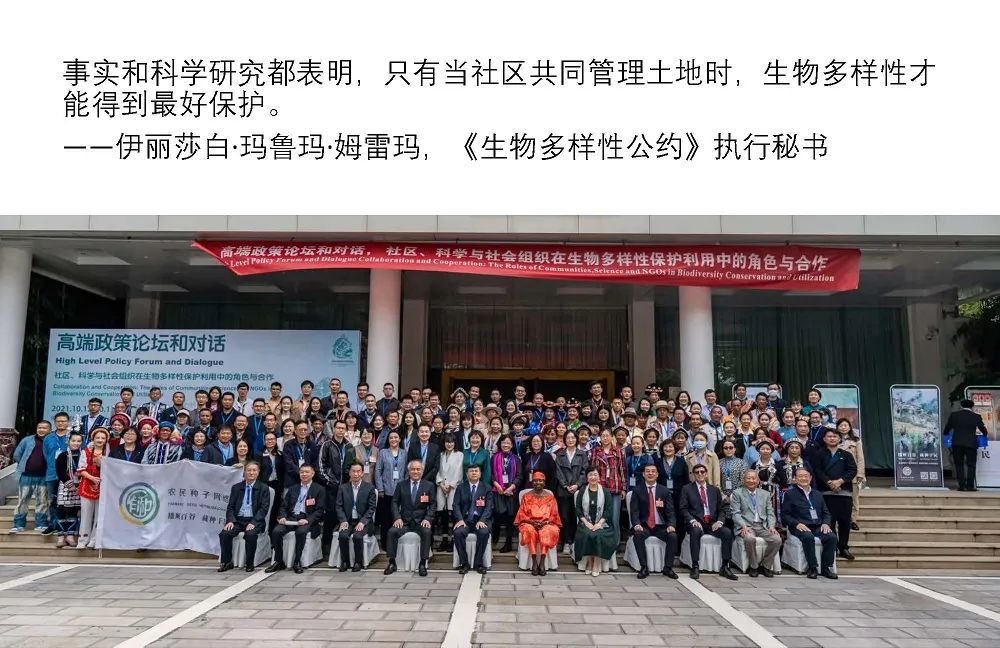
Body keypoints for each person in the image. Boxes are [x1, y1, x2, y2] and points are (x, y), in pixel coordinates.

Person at [679, 463, 738, 580]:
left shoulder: (714, 490)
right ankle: (695, 565)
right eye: (697, 472)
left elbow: (721, 509)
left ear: (706, 474)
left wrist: (720, 522)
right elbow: (683, 508)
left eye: (702, 472)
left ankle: (725, 566)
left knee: (727, 532)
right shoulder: (687, 489)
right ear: (693, 475)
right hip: (696, 522)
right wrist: (692, 521)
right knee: (695, 531)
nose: (700, 474)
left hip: (712, 523)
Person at [266, 464, 326, 574]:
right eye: (302, 472)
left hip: (307, 519)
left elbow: (320, 510)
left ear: (313, 474)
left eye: (307, 472)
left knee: (301, 532)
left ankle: (297, 561)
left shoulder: (319, 489)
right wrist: (282, 517)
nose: (304, 474)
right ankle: (278, 561)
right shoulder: (293, 488)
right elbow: (284, 506)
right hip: (291, 518)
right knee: (276, 531)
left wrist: (308, 520)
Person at [781, 467, 838, 579]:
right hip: (800, 526)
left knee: (831, 537)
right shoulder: (790, 494)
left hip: (818, 526)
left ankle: (826, 568)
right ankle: (813, 568)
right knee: (808, 537)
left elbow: (826, 513)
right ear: (795, 479)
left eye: (806, 476)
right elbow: (785, 515)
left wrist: (826, 523)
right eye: (800, 476)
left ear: (811, 478)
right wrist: (796, 524)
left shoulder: (818, 494)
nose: (803, 478)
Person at [812, 428, 858, 561]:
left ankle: (844, 547)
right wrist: (829, 482)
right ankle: (833, 546)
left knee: (845, 522)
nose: (832, 438)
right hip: (826, 493)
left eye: (835, 436)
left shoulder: (846, 454)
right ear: (824, 439)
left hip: (844, 493)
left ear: (839, 439)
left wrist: (840, 481)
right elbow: (817, 471)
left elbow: (852, 470)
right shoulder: (819, 454)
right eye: (829, 436)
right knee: (829, 522)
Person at [384, 459, 436, 577]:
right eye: (413, 469)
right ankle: (392, 562)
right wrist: (397, 518)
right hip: (404, 522)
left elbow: (433, 505)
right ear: (409, 471)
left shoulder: (429, 485)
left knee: (427, 532)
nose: (415, 472)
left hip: (421, 522)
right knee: (391, 532)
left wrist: (428, 519)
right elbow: (394, 503)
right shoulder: (401, 485)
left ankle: (422, 563)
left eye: (418, 469)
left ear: (422, 471)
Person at [629, 463, 679, 579]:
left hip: (660, 526)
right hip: (644, 525)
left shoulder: (664, 491)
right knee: (638, 535)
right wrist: (636, 524)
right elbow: (634, 511)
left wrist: (671, 525)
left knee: (673, 536)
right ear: (643, 474)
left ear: (657, 474)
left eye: (653, 471)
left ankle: (668, 567)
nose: (650, 473)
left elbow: (670, 511)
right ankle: (644, 567)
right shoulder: (637, 490)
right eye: (647, 471)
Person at [219, 462, 271, 573]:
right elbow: (230, 507)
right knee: (224, 534)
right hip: (238, 520)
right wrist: (230, 520)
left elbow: (264, 509)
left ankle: (249, 563)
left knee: (250, 535)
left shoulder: (263, 488)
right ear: (244, 472)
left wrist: (254, 522)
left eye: (254, 470)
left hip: (254, 520)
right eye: (249, 470)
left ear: (258, 472)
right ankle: (226, 562)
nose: (251, 473)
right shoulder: (236, 487)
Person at [730, 471, 781, 577]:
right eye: (748, 478)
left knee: (777, 539)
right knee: (749, 539)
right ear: (744, 480)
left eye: (754, 478)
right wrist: (743, 525)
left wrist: (771, 526)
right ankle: (754, 566)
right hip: (746, 526)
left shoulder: (765, 494)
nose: (751, 480)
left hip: (762, 526)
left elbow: (770, 513)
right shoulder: (737, 493)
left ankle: (766, 565)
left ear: (758, 481)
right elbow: (735, 513)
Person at [573, 466, 619, 576]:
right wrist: (586, 523)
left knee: (598, 534)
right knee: (587, 533)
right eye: (590, 475)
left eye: (595, 475)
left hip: (603, 523)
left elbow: (608, 510)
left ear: (599, 477)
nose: (593, 477)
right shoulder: (582, 491)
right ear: (587, 477)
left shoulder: (605, 492)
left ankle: (596, 563)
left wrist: (599, 524)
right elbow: (578, 509)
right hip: (585, 522)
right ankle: (590, 562)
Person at [515, 471, 562, 576]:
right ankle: (534, 561)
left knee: (546, 531)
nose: (538, 483)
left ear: (544, 482)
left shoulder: (550, 497)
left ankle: (542, 562)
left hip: (547, 523)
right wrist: (531, 522)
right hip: (529, 522)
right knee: (529, 530)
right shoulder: (526, 496)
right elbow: (522, 514)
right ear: (532, 482)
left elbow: (554, 514)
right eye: (535, 480)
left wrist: (545, 522)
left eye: (540, 481)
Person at [10, 420, 52, 534]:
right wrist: (25, 465)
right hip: (26, 476)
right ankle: (18, 525)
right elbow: (17, 455)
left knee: (42, 501)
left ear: (50, 430)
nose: (41, 430)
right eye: (39, 427)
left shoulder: (51, 441)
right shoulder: (27, 440)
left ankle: (41, 524)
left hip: (44, 477)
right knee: (22, 500)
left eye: (44, 428)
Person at [336, 462, 378, 572]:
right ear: (349, 473)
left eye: (358, 471)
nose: (356, 474)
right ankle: (345, 562)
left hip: (363, 521)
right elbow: (339, 506)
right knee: (343, 536)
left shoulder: (369, 488)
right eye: (353, 471)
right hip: (348, 520)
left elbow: (371, 508)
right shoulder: (343, 488)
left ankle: (358, 562)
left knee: (357, 536)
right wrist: (343, 520)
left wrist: (363, 522)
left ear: (362, 473)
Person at [453, 463, 494, 574]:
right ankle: (464, 563)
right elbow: (455, 505)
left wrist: (482, 520)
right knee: (458, 533)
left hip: (480, 519)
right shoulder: (461, 487)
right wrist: (460, 519)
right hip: (465, 519)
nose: (474, 473)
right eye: (471, 471)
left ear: (480, 474)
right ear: (467, 474)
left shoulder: (487, 488)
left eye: (476, 471)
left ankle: (478, 563)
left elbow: (489, 507)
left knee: (484, 532)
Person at [943, 399, 989, 491]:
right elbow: (983, 430)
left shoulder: (954, 415)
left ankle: (961, 486)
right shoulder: (976, 416)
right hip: (971, 443)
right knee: (971, 465)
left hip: (957, 443)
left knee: (959, 464)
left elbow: (947, 429)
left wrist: (948, 437)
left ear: (961, 406)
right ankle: (970, 486)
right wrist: (982, 436)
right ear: (972, 407)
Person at [554, 429, 588, 553]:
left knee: (576, 516)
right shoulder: (560, 454)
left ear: (576, 439)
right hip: (563, 491)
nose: (570, 440)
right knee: (564, 516)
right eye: (568, 438)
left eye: (573, 438)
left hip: (577, 490)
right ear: (564, 440)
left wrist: (577, 485)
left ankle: (574, 541)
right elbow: (558, 472)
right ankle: (566, 541)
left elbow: (584, 472)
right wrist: (565, 485)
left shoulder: (582, 454)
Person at [77, 427, 109, 549]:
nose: (100, 440)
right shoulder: (85, 452)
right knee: (85, 514)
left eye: (103, 438)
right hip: (87, 485)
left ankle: (94, 539)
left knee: (99, 515)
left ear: (106, 440)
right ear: (93, 439)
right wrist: (92, 478)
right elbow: (81, 470)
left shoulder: (108, 453)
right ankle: (82, 539)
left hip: (103, 487)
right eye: (97, 438)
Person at [491, 434, 521, 553]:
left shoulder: (516, 459)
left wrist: (512, 487)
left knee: (510, 516)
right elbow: (491, 474)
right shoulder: (494, 457)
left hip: (511, 491)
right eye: (504, 442)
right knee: (498, 513)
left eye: (508, 443)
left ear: (512, 445)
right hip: (497, 490)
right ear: (500, 444)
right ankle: (495, 537)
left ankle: (508, 542)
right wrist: (496, 485)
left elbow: (520, 476)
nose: (506, 445)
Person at [54, 431, 84, 548]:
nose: (76, 443)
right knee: (61, 511)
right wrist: (70, 485)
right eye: (73, 441)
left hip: (79, 486)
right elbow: (60, 472)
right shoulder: (62, 455)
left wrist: (79, 485)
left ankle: (70, 536)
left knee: (73, 511)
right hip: (65, 486)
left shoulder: (83, 455)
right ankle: (61, 537)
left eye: (79, 441)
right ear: (68, 441)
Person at [435, 433, 463, 552]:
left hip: (453, 487)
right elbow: (437, 470)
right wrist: (441, 483)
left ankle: (453, 540)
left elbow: (459, 471)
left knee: (453, 513)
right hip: (441, 486)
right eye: (447, 442)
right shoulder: (441, 454)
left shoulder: (459, 455)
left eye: (451, 442)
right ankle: (444, 539)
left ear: (455, 443)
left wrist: (451, 485)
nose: (449, 444)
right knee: (443, 514)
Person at [836, 419, 865, 530]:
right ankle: (840, 520)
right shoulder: (834, 439)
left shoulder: (856, 440)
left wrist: (860, 474)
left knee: (854, 499)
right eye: (841, 425)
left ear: (849, 427)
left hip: (852, 473)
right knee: (839, 498)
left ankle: (853, 520)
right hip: (837, 474)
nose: (843, 427)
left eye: (846, 425)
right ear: (837, 427)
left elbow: (860, 458)